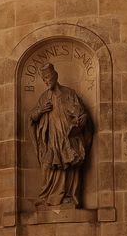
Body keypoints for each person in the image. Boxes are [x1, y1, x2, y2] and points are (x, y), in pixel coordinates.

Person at [29, 62, 92, 208]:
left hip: (68, 137)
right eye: (44, 79)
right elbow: (31, 118)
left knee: (68, 165)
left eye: (48, 77)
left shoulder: (69, 93)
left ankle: (68, 195)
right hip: (51, 139)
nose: (46, 81)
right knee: (48, 165)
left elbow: (81, 113)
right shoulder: (44, 97)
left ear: (55, 76)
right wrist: (41, 111)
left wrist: (82, 119)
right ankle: (47, 196)